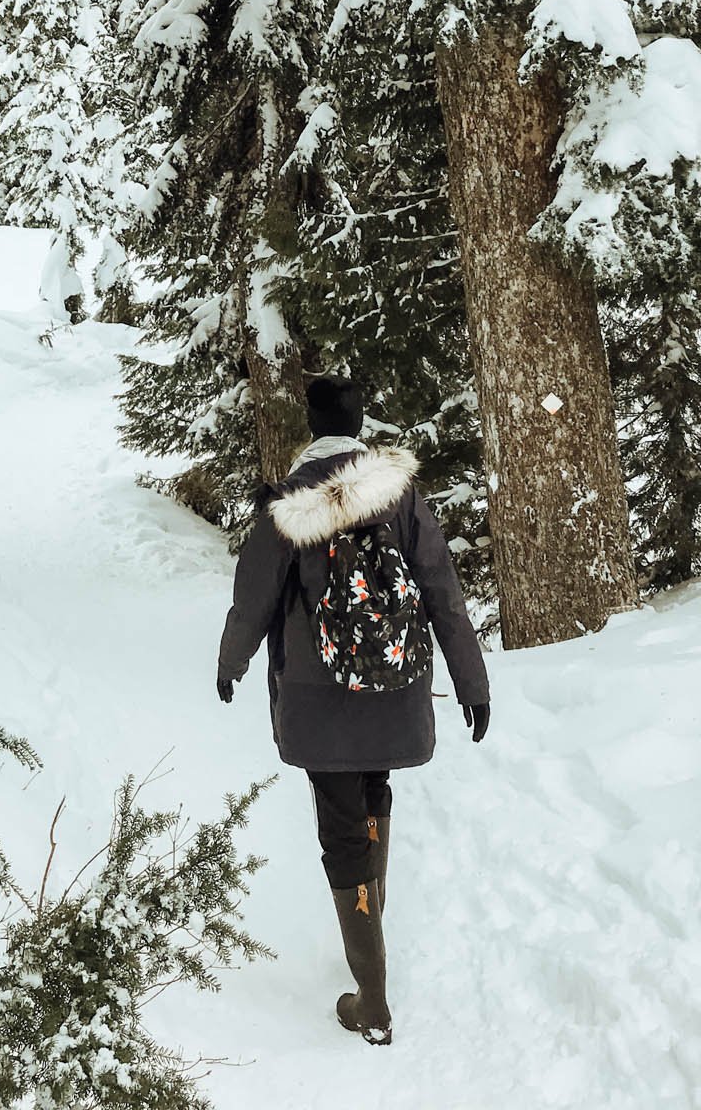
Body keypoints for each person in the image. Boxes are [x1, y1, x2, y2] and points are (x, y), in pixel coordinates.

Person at [216, 373, 491, 1048]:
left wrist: (231, 660)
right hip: (394, 689)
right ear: (360, 424)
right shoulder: (399, 495)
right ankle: (373, 934)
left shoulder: (289, 502)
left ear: (312, 425)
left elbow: (253, 596)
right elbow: (441, 591)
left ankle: (371, 999)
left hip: (317, 698)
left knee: (341, 826)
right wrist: (473, 682)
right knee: (375, 791)